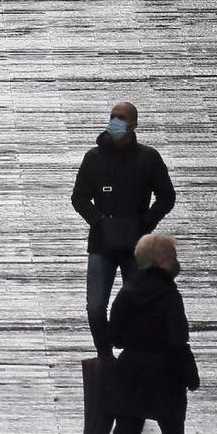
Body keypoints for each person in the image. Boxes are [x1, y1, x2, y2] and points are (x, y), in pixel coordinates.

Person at [91, 231, 210, 434]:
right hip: (165, 374)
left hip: (130, 369)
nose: (176, 262)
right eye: (172, 257)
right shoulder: (169, 296)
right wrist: (190, 376)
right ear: (161, 262)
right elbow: (178, 340)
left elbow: (115, 335)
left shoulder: (127, 291)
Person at [71, 101, 177, 359]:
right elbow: (79, 197)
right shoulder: (93, 158)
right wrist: (98, 221)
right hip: (101, 244)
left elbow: (167, 196)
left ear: (134, 125)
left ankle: (133, 355)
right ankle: (105, 355)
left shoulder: (148, 158)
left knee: (139, 303)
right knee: (95, 308)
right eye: (112, 116)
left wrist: (145, 222)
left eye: (121, 117)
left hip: (136, 246)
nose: (115, 121)